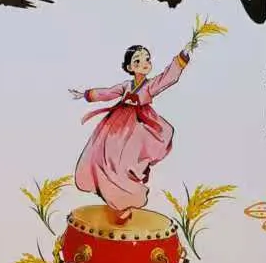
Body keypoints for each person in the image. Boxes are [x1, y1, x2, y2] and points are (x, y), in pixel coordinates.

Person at [69, 42, 193, 224]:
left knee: (126, 163)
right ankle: (110, 194)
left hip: (140, 125)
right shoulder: (127, 85)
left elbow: (167, 78)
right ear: (129, 67)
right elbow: (108, 92)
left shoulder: (150, 85)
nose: (144, 63)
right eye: (137, 61)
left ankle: (125, 200)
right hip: (116, 125)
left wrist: (182, 57)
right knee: (105, 157)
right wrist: (86, 95)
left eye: (147, 59)